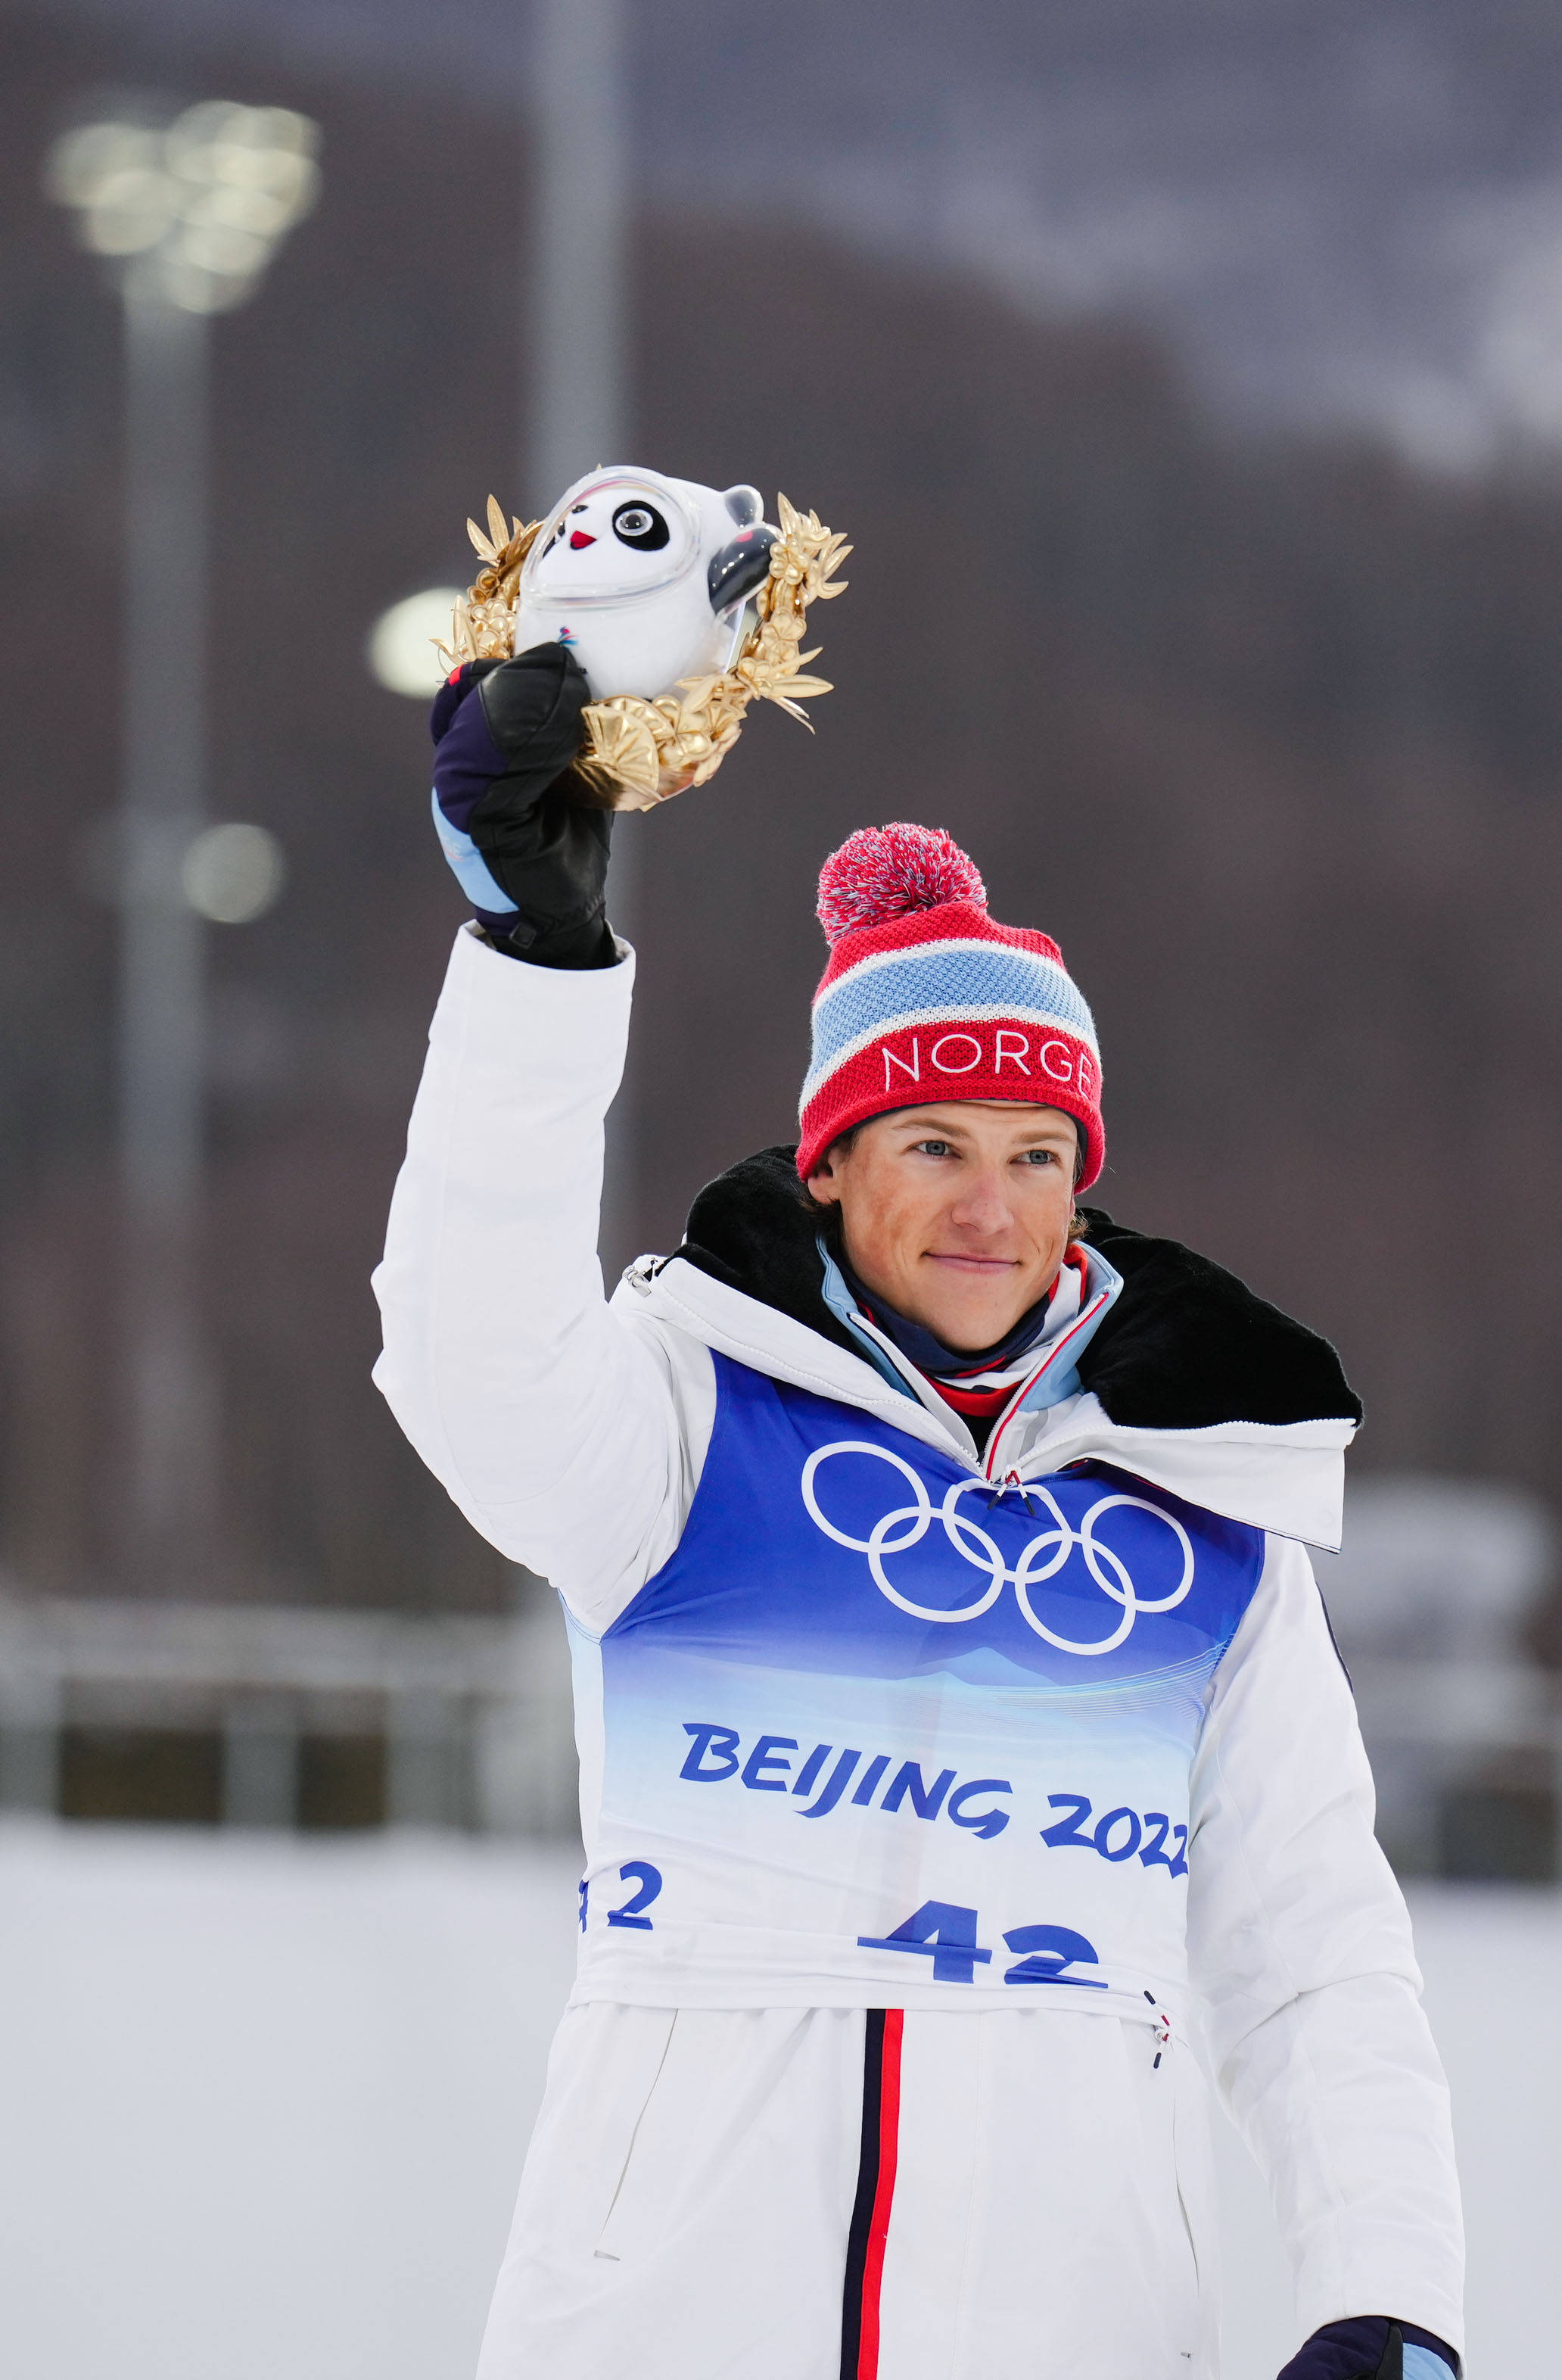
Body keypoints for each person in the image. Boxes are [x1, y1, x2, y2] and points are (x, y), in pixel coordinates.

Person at [375, 643, 1464, 2380]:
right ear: (827, 1163)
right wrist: (538, 970)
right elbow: (463, 1362)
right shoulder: (680, 1417)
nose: (990, 1208)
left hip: (1079, 2329)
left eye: (1036, 1154)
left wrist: (1387, 2291)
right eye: (932, 1146)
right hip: (663, 2323)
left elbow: (1309, 1943)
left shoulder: (1201, 1499)